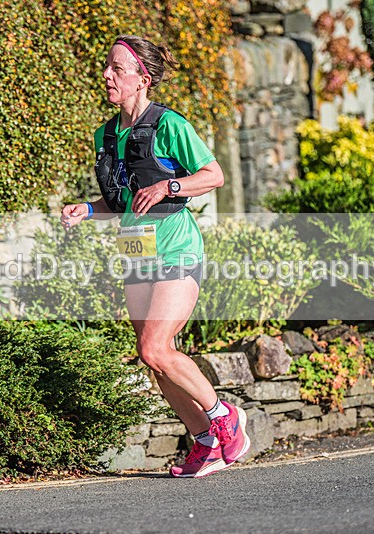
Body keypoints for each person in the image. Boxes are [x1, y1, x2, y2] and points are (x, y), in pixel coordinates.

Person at [60, 35, 250, 478]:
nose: (107, 75)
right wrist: (87, 210)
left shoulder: (169, 126)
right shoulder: (104, 135)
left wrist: (170, 185)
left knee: (155, 347)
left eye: (117, 69)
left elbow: (213, 175)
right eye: (107, 67)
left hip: (176, 247)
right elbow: (125, 200)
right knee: (154, 359)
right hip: (136, 250)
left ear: (142, 79)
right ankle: (206, 442)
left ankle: (226, 417)